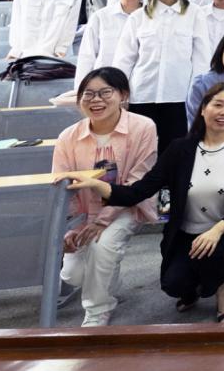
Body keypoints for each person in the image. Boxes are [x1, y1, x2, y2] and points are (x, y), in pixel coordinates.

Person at [65, 82, 224, 324]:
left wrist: (216, 231)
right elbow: (140, 190)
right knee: (174, 285)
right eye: (218, 105)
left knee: (209, 253)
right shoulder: (180, 148)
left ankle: (222, 290)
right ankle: (197, 285)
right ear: (203, 109)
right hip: (185, 231)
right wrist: (97, 185)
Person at [51, 68, 158, 327]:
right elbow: (62, 186)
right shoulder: (68, 137)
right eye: (88, 94)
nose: (95, 100)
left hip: (128, 206)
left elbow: (137, 181)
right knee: (73, 275)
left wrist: (102, 221)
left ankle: (98, 310)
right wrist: (71, 228)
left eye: (105, 93)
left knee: (103, 246)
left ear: (123, 95)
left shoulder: (143, 127)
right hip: (83, 213)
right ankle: (108, 277)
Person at [116, 0, 213, 153]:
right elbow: (124, 58)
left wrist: (198, 94)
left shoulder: (195, 14)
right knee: (140, 149)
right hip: (142, 94)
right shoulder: (139, 16)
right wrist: (120, 91)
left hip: (179, 95)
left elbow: (201, 58)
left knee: (175, 149)